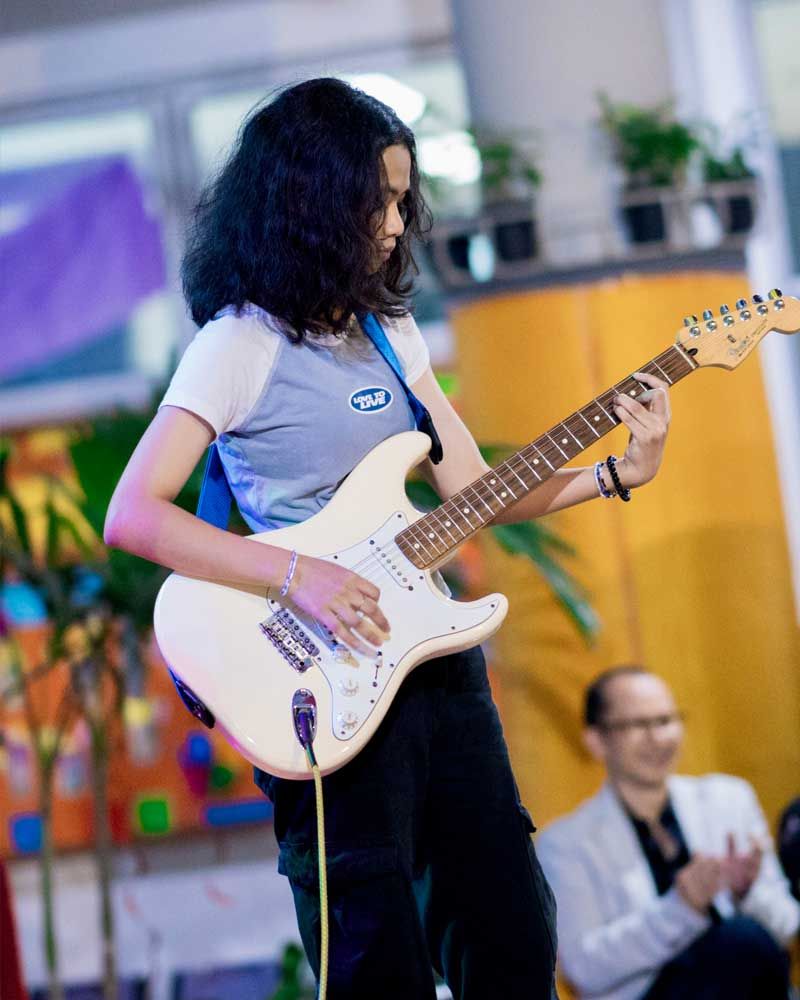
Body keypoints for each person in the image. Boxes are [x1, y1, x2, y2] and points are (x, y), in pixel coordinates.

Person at [104, 78, 671, 999]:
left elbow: (474, 492)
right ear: (317, 201)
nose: (399, 224)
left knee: (512, 939)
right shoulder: (238, 344)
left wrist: (614, 473)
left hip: (436, 668)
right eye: (383, 200)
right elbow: (134, 515)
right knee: (375, 960)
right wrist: (300, 575)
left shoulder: (391, 331)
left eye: (405, 200)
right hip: (317, 672)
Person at [537, 666, 799, 1000]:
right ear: (597, 741)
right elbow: (584, 968)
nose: (658, 738)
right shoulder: (565, 843)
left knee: (744, 940)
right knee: (739, 939)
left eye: (665, 721)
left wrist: (745, 894)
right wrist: (682, 908)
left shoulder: (729, 799)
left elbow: (787, 926)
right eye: (638, 725)